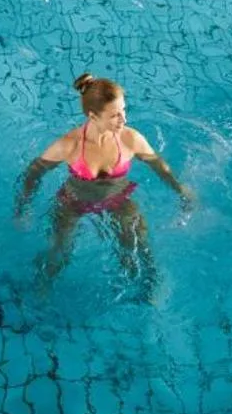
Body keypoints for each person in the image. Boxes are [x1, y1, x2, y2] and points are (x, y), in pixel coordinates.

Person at [16, 73, 194, 299]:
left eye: (124, 110)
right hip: (73, 202)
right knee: (58, 255)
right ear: (93, 116)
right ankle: (39, 293)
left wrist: (181, 190)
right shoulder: (70, 145)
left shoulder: (130, 139)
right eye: (115, 115)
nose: (124, 120)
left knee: (140, 250)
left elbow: (159, 166)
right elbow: (33, 172)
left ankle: (150, 293)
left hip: (118, 199)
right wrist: (23, 208)